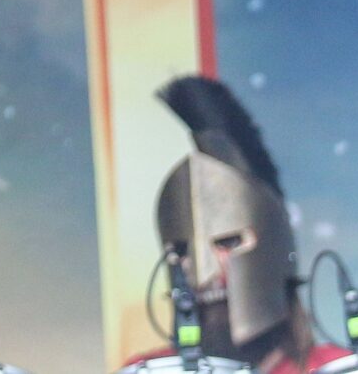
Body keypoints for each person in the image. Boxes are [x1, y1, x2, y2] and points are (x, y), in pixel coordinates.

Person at [147, 77, 344, 374]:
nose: (204, 271)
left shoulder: (337, 369)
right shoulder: (151, 371)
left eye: (227, 242)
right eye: (182, 250)